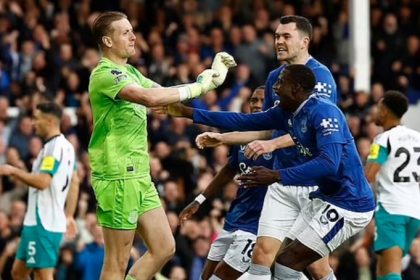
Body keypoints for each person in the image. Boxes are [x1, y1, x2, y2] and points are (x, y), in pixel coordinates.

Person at [168, 15, 337, 279]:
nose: (279, 41)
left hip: (311, 182)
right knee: (264, 256)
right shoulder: (274, 78)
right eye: (277, 36)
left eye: (286, 36)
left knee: (314, 265)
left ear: (305, 41)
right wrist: (223, 137)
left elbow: (311, 130)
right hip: (281, 185)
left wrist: (271, 143)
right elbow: (266, 124)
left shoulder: (320, 77)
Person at [87, 11, 236, 280]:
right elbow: (148, 97)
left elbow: (165, 96)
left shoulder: (129, 71)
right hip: (117, 176)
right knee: (116, 264)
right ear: (108, 41)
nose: (134, 37)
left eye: (132, 30)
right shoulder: (104, 74)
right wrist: (198, 86)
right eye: (125, 32)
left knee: (164, 247)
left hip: (139, 175)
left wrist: (210, 78)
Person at [179, 86, 273, 280]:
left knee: (223, 276)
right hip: (234, 218)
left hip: (259, 224)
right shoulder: (240, 136)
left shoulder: (279, 138)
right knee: (206, 276)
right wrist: (199, 199)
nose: (256, 104)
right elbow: (229, 169)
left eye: (261, 100)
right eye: (253, 100)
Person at [0, 102, 79, 280]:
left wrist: (13, 171)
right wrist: (69, 215)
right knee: (18, 273)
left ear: (50, 120)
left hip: (44, 222)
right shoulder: (65, 147)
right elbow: (75, 181)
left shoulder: (54, 148)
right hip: (36, 222)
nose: (34, 123)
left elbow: (43, 182)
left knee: (43, 275)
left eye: (37, 119)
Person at [365, 90, 420, 280]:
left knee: (391, 271)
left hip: (391, 210)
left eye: (378, 108)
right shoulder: (418, 137)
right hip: (414, 212)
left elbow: (369, 175)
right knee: (383, 269)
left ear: (385, 112)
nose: (374, 113)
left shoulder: (383, 139)